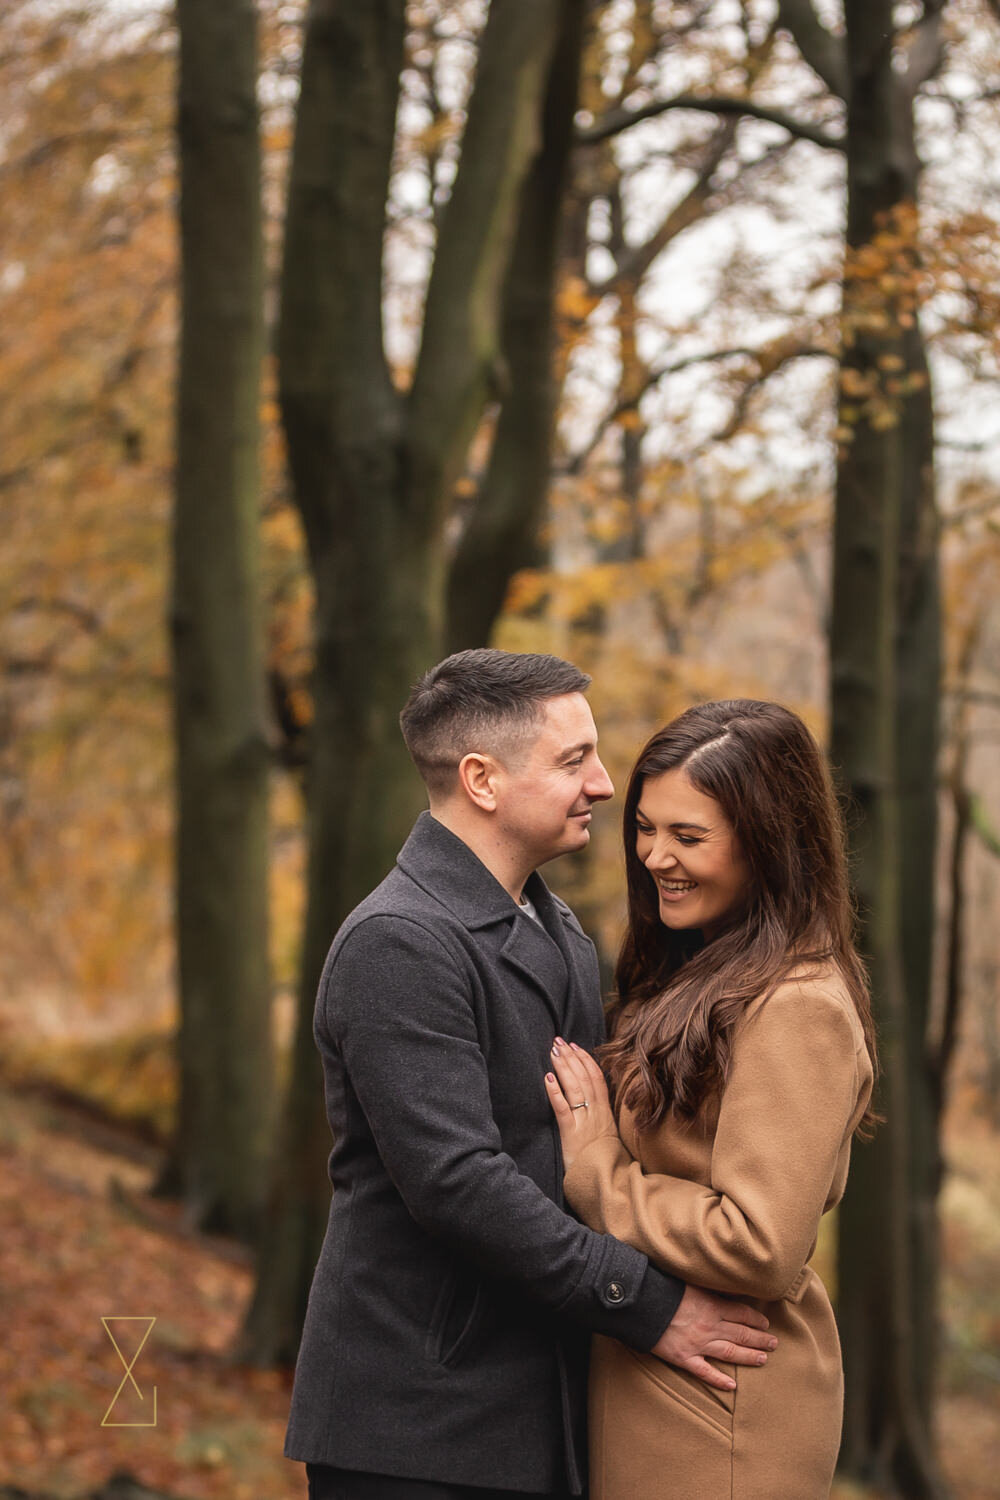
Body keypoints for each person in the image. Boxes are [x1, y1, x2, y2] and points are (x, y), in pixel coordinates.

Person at [285, 652, 777, 1500]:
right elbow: (459, 1184)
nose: (603, 781)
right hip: (416, 1426)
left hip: (535, 1413)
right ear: (482, 780)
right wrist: (650, 1305)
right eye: (573, 759)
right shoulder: (397, 943)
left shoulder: (560, 933)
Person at [545, 699, 878, 1500]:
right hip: (668, 1384)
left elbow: (759, 1242)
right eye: (647, 827)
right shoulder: (708, 971)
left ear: (769, 845)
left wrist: (600, 1178)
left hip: (728, 1405)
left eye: (689, 837)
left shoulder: (798, 1004)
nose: (657, 856)